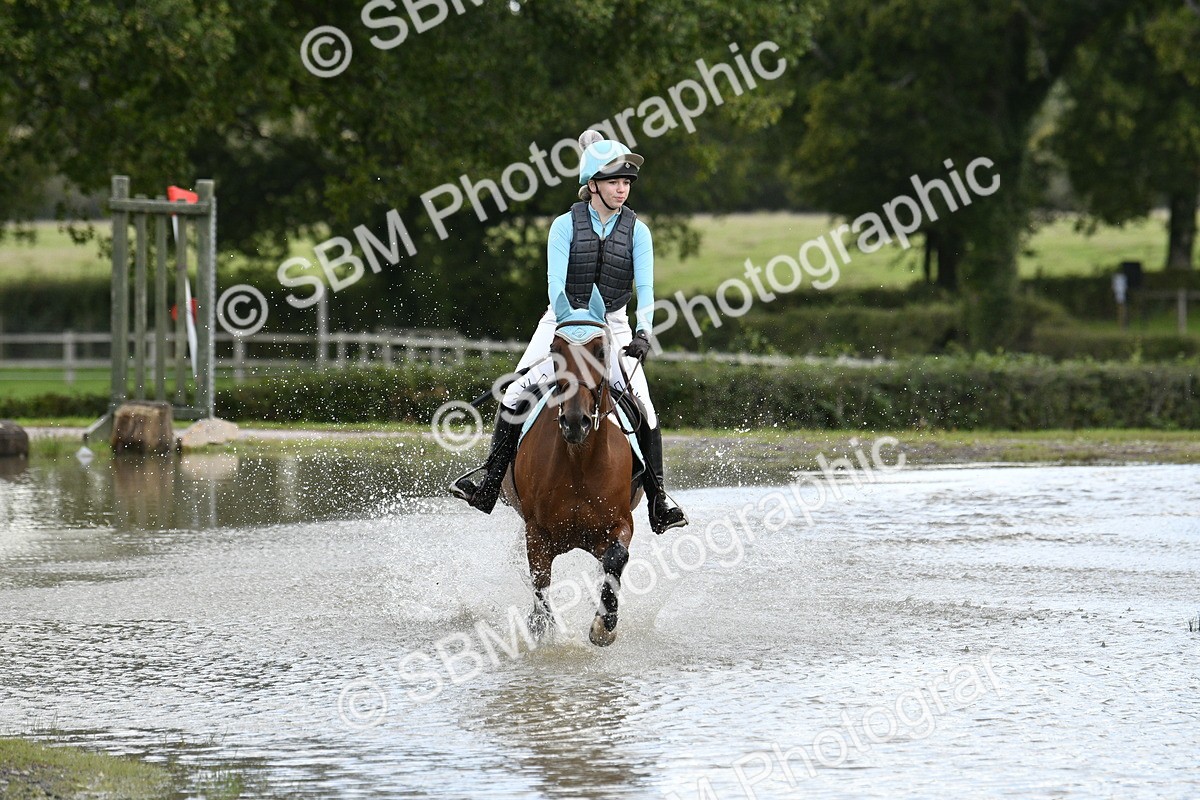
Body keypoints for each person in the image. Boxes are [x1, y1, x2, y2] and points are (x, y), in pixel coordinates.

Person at [451, 130, 688, 534]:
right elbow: (554, 285)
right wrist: (568, 324)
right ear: (592, 184)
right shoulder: (564, 226)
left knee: (644, 409)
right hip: (561, 320)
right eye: (614, 181)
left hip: (612, 324)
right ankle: (489, 483)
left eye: (627, 182)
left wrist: (643, 333)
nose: (622, 189)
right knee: (514, 393)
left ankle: (658, 500)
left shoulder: (638, 232)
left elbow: (645, 289)